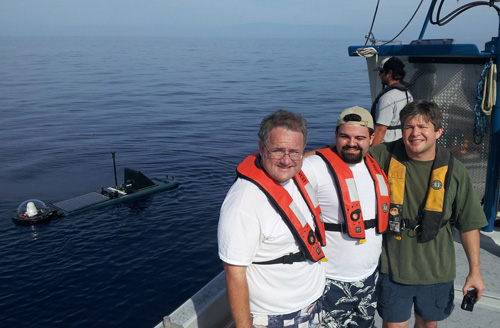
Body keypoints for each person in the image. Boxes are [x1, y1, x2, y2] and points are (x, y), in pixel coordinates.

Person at [369, 100, 487, 328]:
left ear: (438, 131)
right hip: (393, 268)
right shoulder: (382, 156)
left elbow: (468, 225)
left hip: (436, 271)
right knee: (393, 324)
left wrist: (475, 272)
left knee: (427, 323)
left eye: (423, 127)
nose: (415, 133)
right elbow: (344, 155)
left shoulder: (455, 171)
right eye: (408, 127)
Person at [218, 109, 326, 328]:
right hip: (275, 317)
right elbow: (234, 274)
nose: (286, 160)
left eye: (294, 152)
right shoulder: (243, 203)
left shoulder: (296, 178)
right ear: (261, 148)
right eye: (277, 150)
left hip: (312, 304)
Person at [302, 106, 390, 328]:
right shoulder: (314, 166)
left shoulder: (376, 166)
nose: (352, 143)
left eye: (360, 137)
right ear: (335, 136)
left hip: (369, 278)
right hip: (329, 280)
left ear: (372, 138)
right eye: (345, 136)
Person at [371, 57, 413, 146]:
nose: (379, 75)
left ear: (389, 73)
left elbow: (381, 129)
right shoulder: (407, 94)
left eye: (381, 71)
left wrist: (371, 152)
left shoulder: (387, 98)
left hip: (387, 145)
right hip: (401, 143)